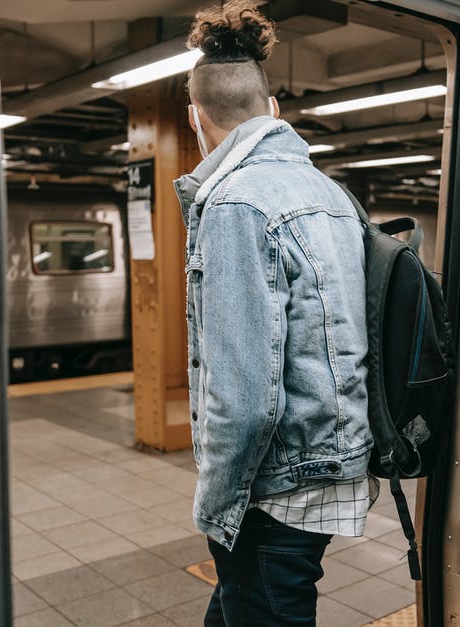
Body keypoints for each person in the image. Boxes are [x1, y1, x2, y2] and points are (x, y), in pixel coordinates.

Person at [173, 2, 375, 625]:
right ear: (276, 109)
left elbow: (242, 394)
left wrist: (216, 505)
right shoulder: (332, 194)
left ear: (195, 119)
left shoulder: (236, 203)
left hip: (277, 484)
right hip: (329, 460)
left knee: (263, 606)